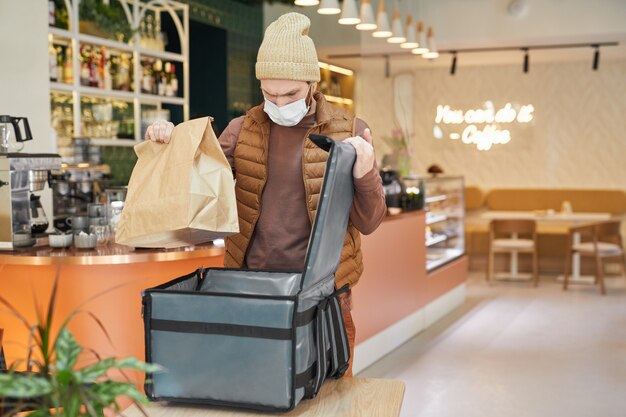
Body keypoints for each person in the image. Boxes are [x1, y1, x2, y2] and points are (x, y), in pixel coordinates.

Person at [146, 12, 386, 376]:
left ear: (311, 83)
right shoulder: (240, 130)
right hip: (253, 293)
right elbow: (196, 190)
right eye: (268, 93)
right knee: (256, 389)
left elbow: (369, 222)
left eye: (290, 93)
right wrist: (170, 144)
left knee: (331, 397)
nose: (279, 103)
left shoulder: (349, 129)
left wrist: (365, 172)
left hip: (327, 297)